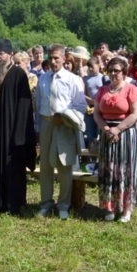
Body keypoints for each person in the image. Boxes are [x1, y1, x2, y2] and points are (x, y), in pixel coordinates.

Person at [0, 39, 36, 215]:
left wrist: (19, 135)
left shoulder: (18, 74)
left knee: (12, 168)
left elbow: (25, 107)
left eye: (1, 54)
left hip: (11, 133)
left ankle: (11, 203)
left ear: (10, 54)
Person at [34, 44, 87, 219]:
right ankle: (46, 203)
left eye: (57, 58)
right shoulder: (43, 79)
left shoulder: (72, 80)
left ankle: (63, 204)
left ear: (64, 59)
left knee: (64, 165)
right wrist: (37, 127)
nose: (54, 61)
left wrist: (64, 118)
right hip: (46, 124)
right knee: (46, 167)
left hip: (64, 125)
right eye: (51, 58)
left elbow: (81, 105)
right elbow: (38, 105)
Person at [93, 56, 137, 222]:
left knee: (124, 169)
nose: (113, 74)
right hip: (107, 132)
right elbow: (96, 113)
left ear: (124, 72)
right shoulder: (102, 90)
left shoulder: (132, 89)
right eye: (110, 70)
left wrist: (118, 129)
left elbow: (135, 114)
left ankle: (126, 208)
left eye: (117, 71)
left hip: (126, 133)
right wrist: (107, 129)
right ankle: (111, 207)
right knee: (109, 169)